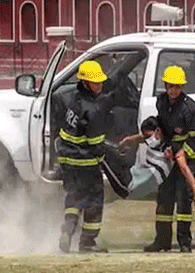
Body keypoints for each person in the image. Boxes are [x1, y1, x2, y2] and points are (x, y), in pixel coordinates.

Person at [121, 65, 195, 253]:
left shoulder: (192, 109)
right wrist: (134, 139)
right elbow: (162, 129)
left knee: (183, 197)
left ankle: (184, 242)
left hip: (188, 154)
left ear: (182, 87)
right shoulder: (162, 102)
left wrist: (180, 153)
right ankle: (162, 241)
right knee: (164, 196)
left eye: (176, 87)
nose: (172, 90)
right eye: (169, 86)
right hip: (170, 153)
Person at [57, 60, 118, 253]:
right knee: (94, 201)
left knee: (74, 197)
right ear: (85, 83)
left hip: (67, 161)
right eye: (95, 82)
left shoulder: (74, 100)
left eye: (100, 81)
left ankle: (68, 228)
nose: (100, 85)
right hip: (86, 163)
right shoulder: (94, 109)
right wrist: (110, 154)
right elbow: (95, 143)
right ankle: (88, 243)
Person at [121, 116, 195, 208]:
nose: (147, 140)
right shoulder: (154, 137)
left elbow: (184, 168)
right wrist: (127, 140)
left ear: (158, 131)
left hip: (147, 179)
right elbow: (141, 137)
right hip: (140, 173)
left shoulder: (171, 147)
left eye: (148, 136)